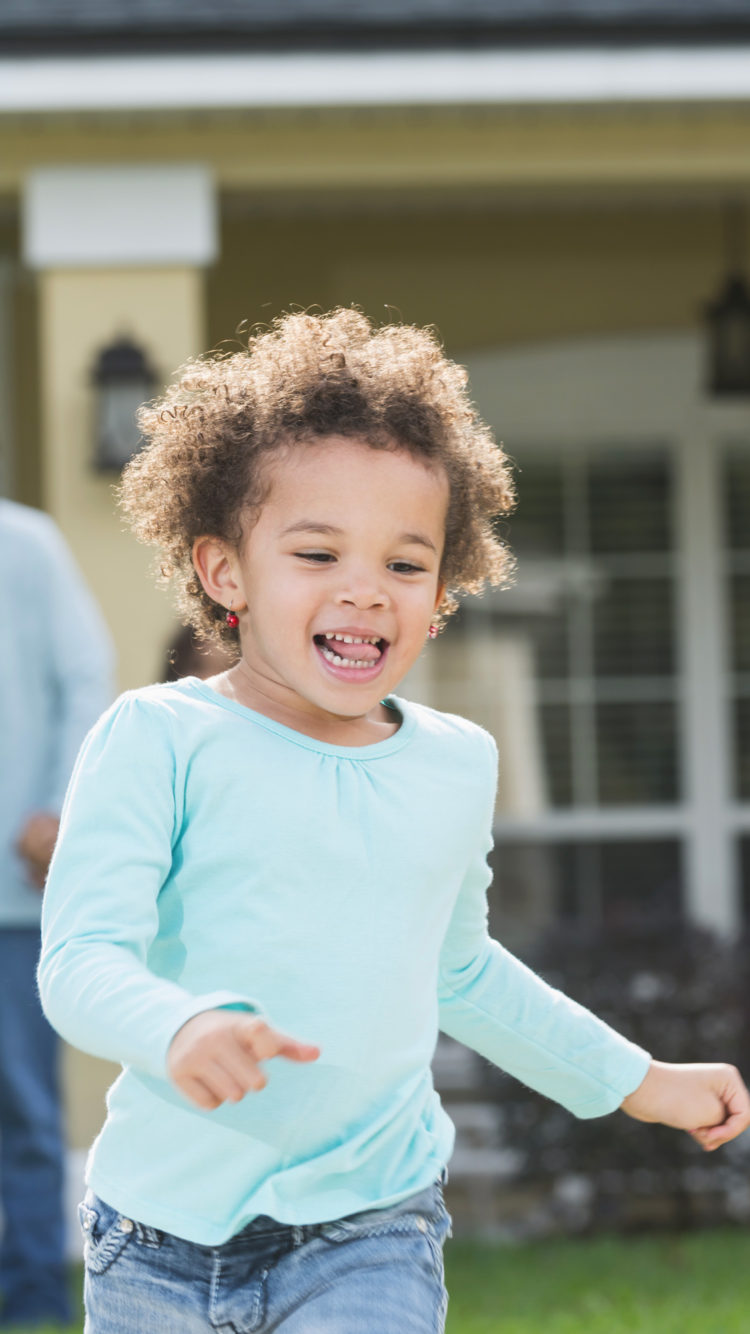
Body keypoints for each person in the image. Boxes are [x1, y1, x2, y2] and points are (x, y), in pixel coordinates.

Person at [38, 310, 750, 1334]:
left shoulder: (454, 763)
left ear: (442, 592)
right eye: (318, 552)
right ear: (225, 572)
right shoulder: (157, 737)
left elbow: (461, 972)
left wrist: (634, 1079)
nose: (365, 589)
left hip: (370, 1227)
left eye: (406, 565)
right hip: (160, 1236)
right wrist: (178, 1023)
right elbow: (80, 960)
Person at [0, 499, 114, 1328]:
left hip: (12, 900)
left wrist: (56, 807)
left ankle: (35, 1296)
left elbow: (85, 680)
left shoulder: (24, 545)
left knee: (25, 1114)